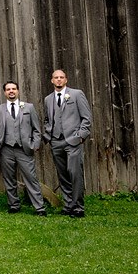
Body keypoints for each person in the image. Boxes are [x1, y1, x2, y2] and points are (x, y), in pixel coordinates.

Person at [0, 81, 47, 216]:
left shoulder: (28, 107)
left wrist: (35, 145)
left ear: (18, 91)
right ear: (4, 92)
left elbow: (36, 129)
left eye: (14, 89)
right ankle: (14, 205)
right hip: (6, 149)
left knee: (31, 178)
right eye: (8, 89)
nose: (11, 91)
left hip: (24, 149)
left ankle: (39, 208)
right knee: (9, 179)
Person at [43, 69, 92, 218]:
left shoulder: (76, 94)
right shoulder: (48, 99)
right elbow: (47, 119)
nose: (58, 80)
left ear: (66, 80)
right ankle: (68, 204)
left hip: (73, 141)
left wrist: (80, 136)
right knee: (63, 174)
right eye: (56, 77)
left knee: (75, 173)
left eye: (61, 77)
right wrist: (48, 135)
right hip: (56, 141)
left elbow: (86, 118)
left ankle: (78, 207)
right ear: (52, 80)